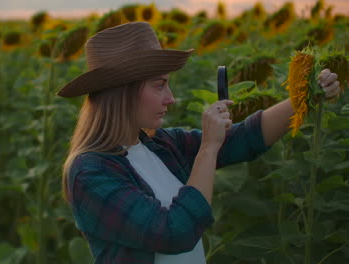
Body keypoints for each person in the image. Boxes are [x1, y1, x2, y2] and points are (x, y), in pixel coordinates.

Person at [58, 22, 340, 264]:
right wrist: (208, 149)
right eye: (159, 85)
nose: (170, 98)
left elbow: (244, 139)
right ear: (123, 93)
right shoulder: (90, 173)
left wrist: (307, 93)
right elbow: (173, 232)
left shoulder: (160, 145)